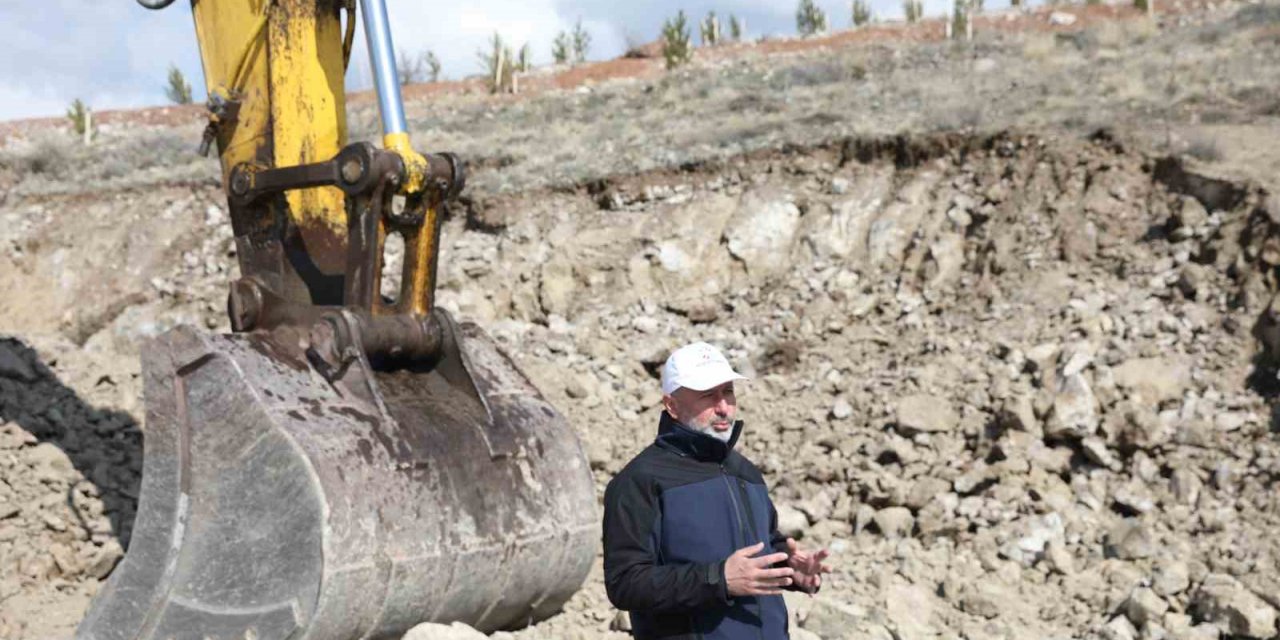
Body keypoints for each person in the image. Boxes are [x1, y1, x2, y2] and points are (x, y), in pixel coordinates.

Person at [603, 341, 832, 640]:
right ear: (671, 405)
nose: (723, 407)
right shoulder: (640, 480)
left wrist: (791, 571)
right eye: (708, 396)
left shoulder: (746, 473)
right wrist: (718, 579)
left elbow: (765, 548)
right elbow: (625, 583)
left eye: (728, 393)